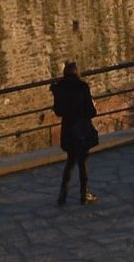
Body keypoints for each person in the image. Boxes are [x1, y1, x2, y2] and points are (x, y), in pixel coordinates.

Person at [51, 60, 98, 206]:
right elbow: (90, 111)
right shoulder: (82, 87)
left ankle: (62, 194)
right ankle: (84, 194)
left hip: (68, 128)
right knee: (82, 163)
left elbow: (58, 111)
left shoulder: (59, 88)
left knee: (70, 161)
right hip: (81, 128)